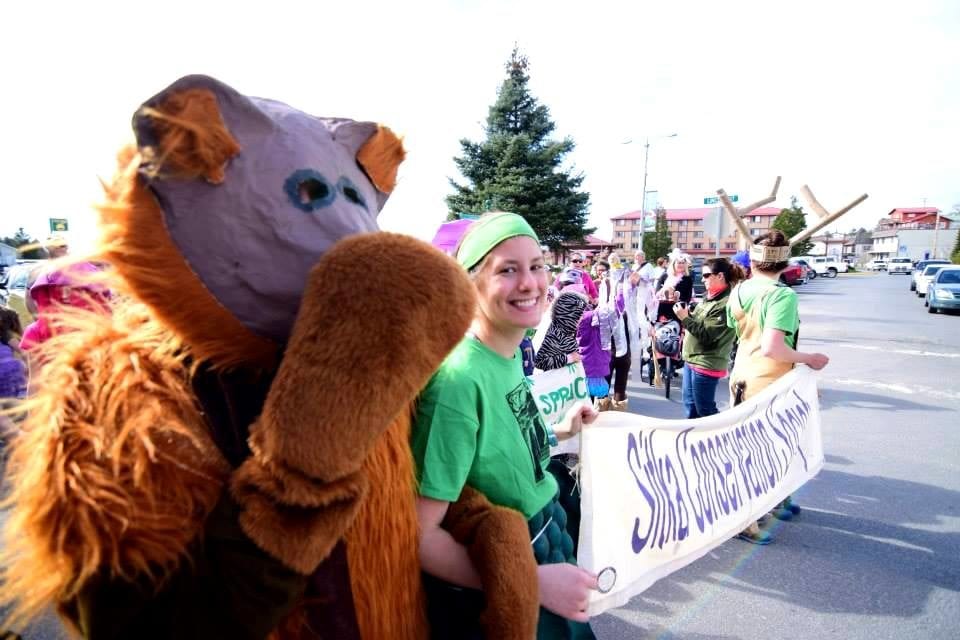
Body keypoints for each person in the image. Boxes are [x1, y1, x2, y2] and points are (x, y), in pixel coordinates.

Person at [412, 212, 600, 639]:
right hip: (507, 591)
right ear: (470, 284)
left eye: (537, 265)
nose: (530, 283)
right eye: (508, 270)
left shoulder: (509, 352)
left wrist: (563, 430)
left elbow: (497, 452)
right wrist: (531, 583)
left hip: (549, 550)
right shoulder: (457, 381)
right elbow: (418, 537)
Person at [726, 230, 830, 544]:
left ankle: (754, 509)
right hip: (769, 381)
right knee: (764, 453)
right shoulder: (782, 294)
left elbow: (742, 334)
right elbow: (773, 347)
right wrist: (810, 358)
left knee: (747, 449)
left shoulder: (740, 289)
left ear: (753, 260)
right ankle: (746, 519)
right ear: (785, 262)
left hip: (742, 374)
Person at [673, 258, 745, 419]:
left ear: (720, 276)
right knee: (691, 408)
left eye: (706, 275)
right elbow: (699, 322)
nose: (702, 279)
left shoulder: (725, 303)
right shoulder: (710, 297)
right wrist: (686, 312)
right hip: (692, 359)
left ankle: (723, 438)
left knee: (705, 410)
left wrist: (684, 318)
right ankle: (694, 441)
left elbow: (708, 335)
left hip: (706, 362)